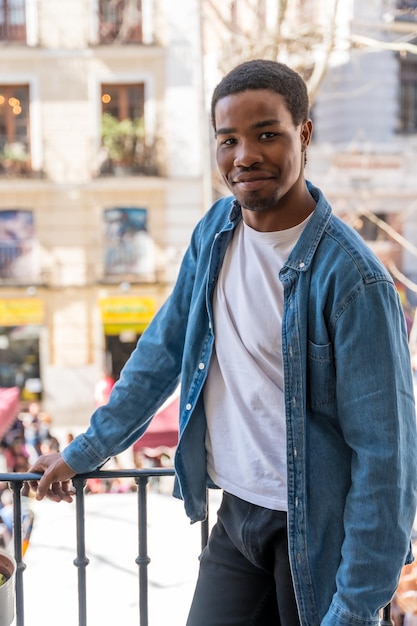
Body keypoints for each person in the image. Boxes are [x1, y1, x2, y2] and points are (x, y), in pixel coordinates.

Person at [25, 59, 417, 625]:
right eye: (228, 139)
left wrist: (356, 608)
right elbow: (161, 353)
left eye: (266, 135)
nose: (245, 155)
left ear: (303, 134)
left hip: (317, 529)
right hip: (236, 516)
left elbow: (387, 462)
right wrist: (83, 452)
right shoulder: (216, 231)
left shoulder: (353, 279)